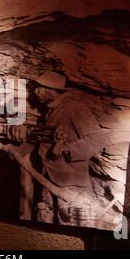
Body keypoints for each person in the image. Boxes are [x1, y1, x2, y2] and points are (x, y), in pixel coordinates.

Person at [31, 70, 107, 226]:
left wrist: (68, 149)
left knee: (73, 225)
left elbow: (98, 140)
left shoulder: (75, 109)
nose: (35, 91)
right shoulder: (51, 111)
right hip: (51, 178)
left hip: (72, 184)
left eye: (39, 88)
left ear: (51, 90)